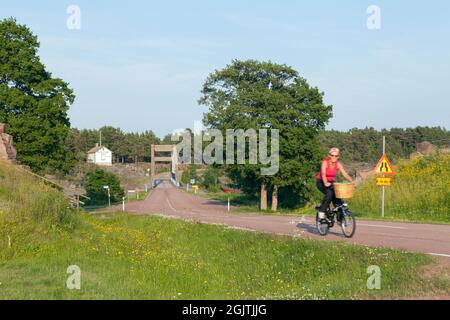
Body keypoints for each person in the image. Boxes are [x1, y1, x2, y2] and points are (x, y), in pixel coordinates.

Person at [316, 147, 353, 219]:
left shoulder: (338, 164)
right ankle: (322, 210)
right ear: (329, 155)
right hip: (321, 181)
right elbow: (323, 173)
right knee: (329, 193)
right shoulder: (325, 162)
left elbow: (344, 174)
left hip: (331, 182)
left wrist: (351, 181)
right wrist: (325, 182)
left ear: (338, 156)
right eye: (332, 155)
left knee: (337, 195)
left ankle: (340, 217)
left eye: (336, 156)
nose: (334, 157)